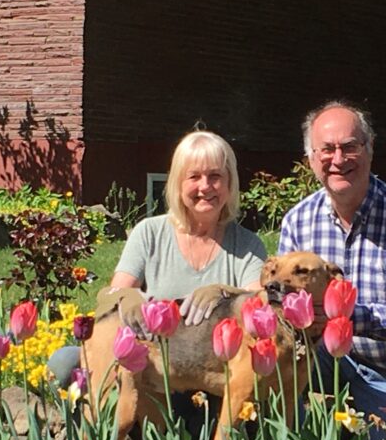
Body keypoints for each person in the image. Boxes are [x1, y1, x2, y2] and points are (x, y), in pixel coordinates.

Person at [48, 130, 267, 383]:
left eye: (215, 176)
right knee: (64, 362)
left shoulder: (247, 245)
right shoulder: (150, 233)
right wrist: (126, 297)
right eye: (194, 176)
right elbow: (111, 296)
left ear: (230, 184)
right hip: (152, 363)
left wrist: (226, 293)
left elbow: (261, 305)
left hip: (216, 370)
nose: (205, 186)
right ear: (178, 184)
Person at [278, 101, 386, 420]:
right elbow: (284, 300)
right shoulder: (298, 221)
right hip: (321, 357)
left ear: (370, 149)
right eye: (327, 149)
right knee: (269, 396)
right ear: (311, 158)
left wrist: (348, 316)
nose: (338, 159)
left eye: (350, 147)